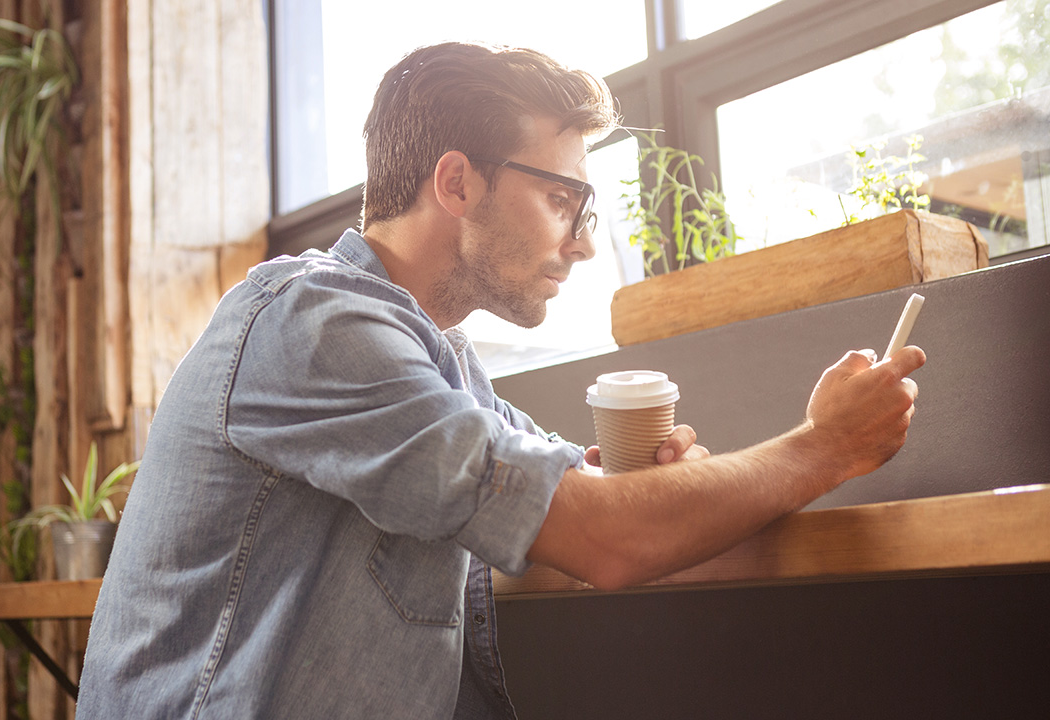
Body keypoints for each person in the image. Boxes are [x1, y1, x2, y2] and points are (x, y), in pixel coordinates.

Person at [77, 42, 924, 719]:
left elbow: (593, 499)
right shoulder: (315, 326)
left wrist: (650, 482)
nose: (585, 243)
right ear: (456, 182)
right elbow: (603, 538)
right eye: (565, 200)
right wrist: (825, 447)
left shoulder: (442, 366)